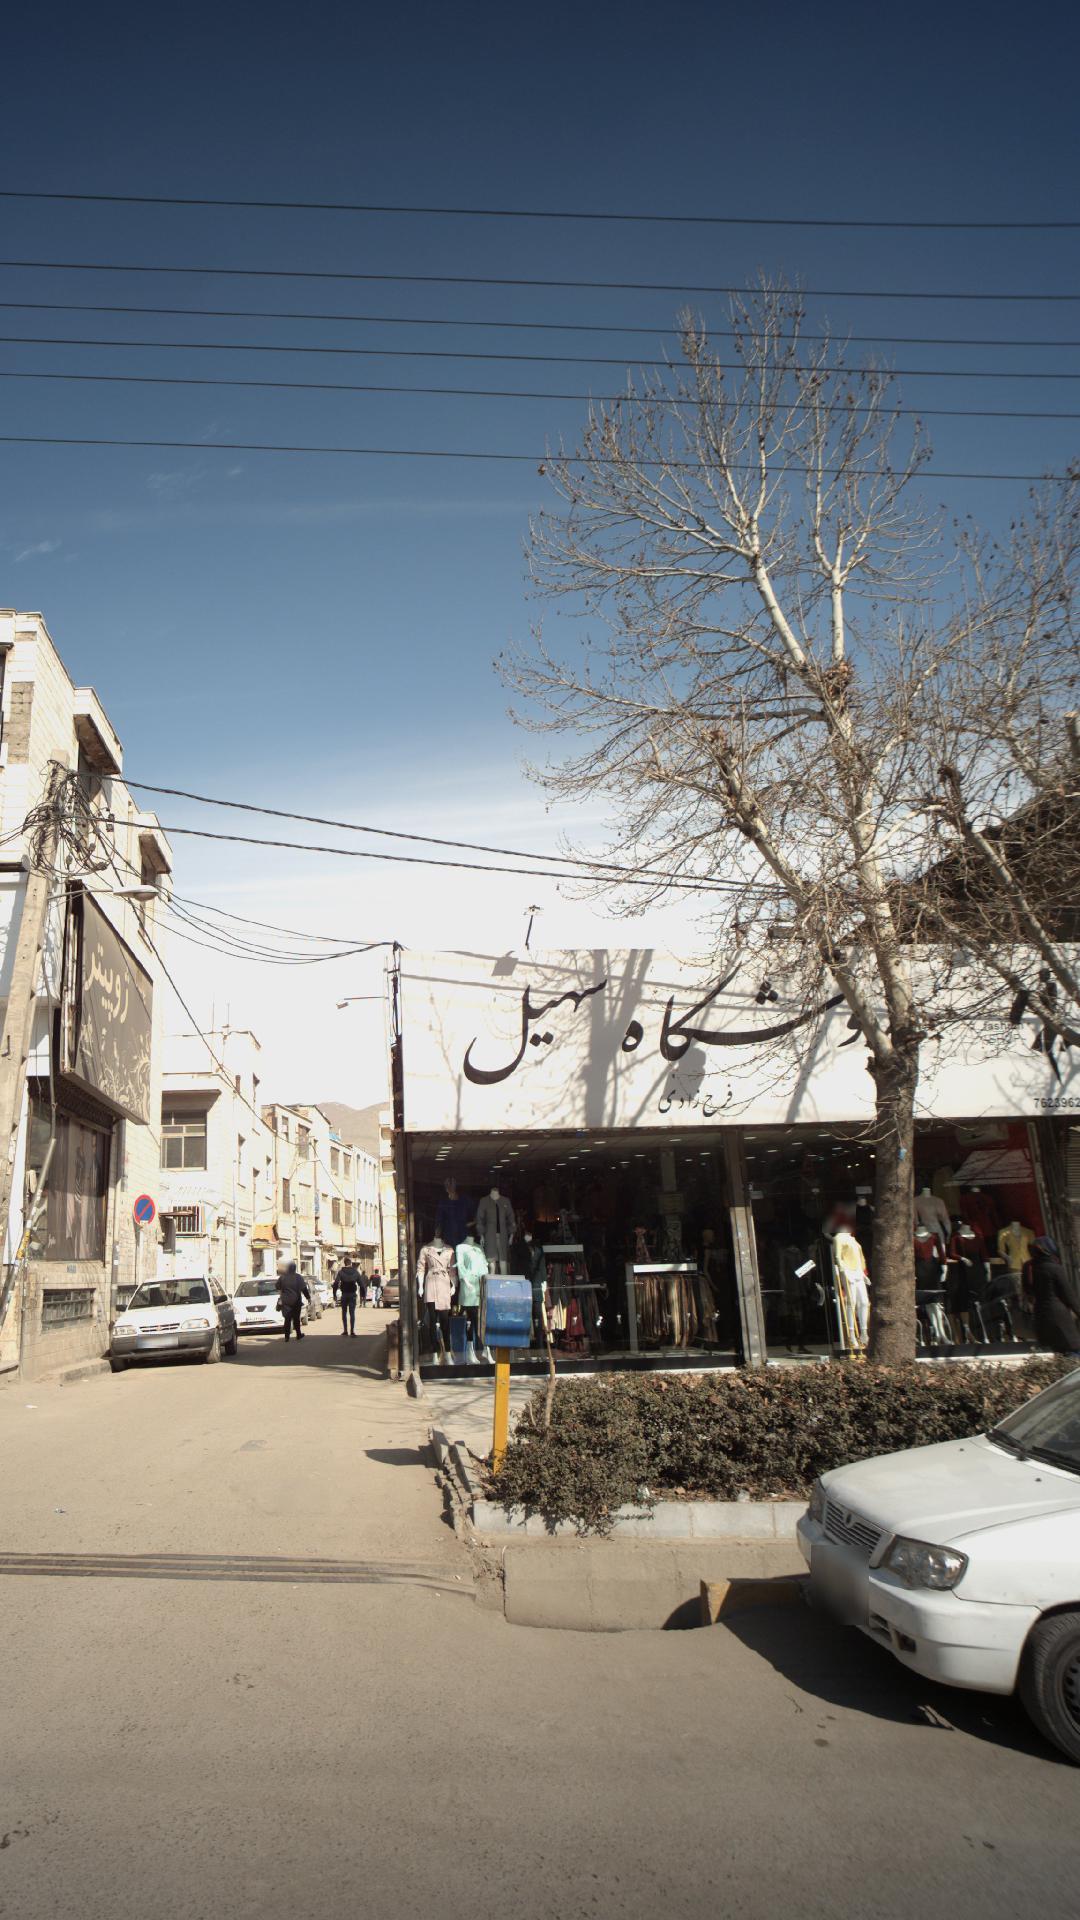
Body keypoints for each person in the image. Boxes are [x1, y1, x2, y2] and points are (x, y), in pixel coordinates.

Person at [1026, 1237, 1080, 1354]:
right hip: (1059, 1318)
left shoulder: (1028, 1268)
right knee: (1073, 1353)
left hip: (1040, 1317)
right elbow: (1068, 1295)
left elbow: (1028, 1292)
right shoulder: (1054, 1268)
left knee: (1057, 1354)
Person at [277, 1262, 311, 1343]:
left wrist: (282, 1292)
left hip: (286, 1301)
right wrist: (308, 1298)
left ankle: (286, 1337)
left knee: (287, 1319)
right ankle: (298, 1335)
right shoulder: (298, 1277)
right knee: (296, 1318)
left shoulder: (283, 1277)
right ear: (295, 1269)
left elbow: (277, 1286)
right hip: (296, 1301)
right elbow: (304, 1289)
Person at [334, 1258, 362, 1336]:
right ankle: (352, 1331)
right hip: (352, 1295)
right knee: (352, 1313)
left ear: (344, 1263)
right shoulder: (355, 1272)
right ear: (350, 1263)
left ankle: (345, 1331)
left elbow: (336, 1283)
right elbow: (361, 1284)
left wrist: (334, 1294)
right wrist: (363, 1295)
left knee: (344, 1312)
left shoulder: (341, 1272)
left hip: (344, 1295)